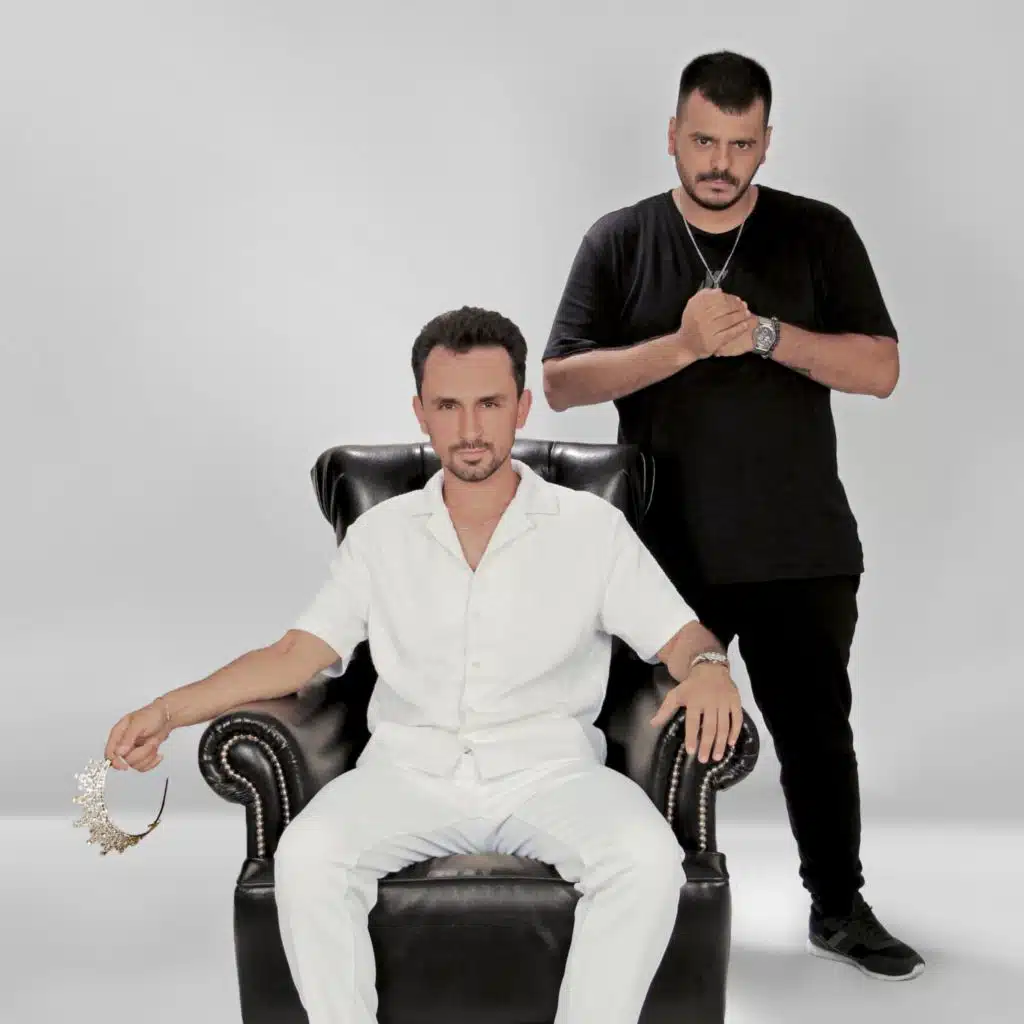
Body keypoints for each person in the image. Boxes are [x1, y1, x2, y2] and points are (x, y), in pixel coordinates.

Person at [104, 306, 746, 1024]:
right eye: (448, 406)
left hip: (551, 773)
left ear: (521, 407)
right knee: (308, 857)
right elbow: (295, 656)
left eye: (489, 404)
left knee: (645, 859)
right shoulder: (379, 535)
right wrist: (167, 711)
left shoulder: (590, 527)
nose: (470, 429)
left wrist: (710, 667)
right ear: (421, 412)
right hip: (406, 775)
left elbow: (682, 636)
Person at [541, 50, 925, 981]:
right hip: (663, 552)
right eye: (704, 140)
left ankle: (838, 909)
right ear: (672, 135)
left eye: (741, 144)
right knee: (649, 738)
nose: (720, 162)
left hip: (801, 544)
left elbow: (880, 368)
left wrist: (763, 335)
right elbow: (559, 382)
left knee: (816, 738)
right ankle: (645, 909)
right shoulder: (620, 240)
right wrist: (679, 346)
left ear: (767, 141)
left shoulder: (818, 233)